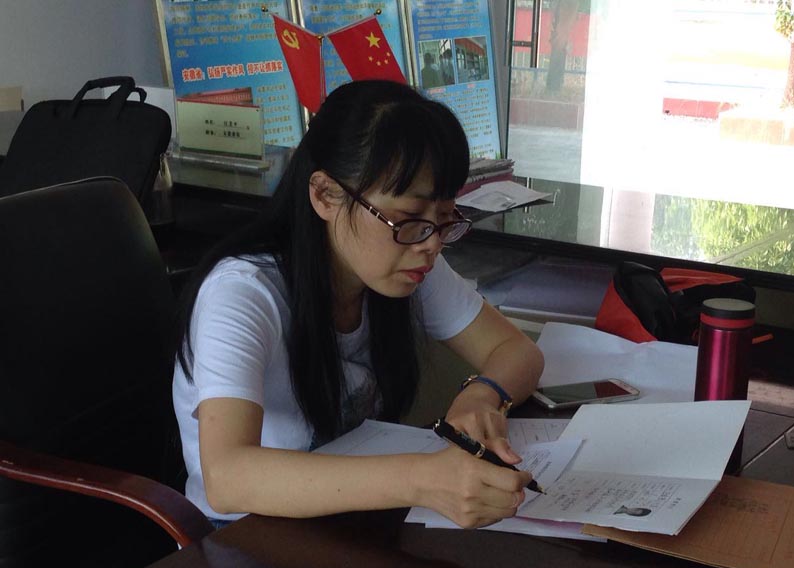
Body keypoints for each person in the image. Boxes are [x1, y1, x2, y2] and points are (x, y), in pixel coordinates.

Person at [172, 80, 544, 530]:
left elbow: (518, 352)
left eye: (444, 219)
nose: (431, 244)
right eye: (408, 219)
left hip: (346, 523)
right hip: (244, 534)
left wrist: (482, 394)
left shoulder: (408, 259)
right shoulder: (243, 294)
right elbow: (227, 477)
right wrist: (422, 480)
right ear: (325, 195)